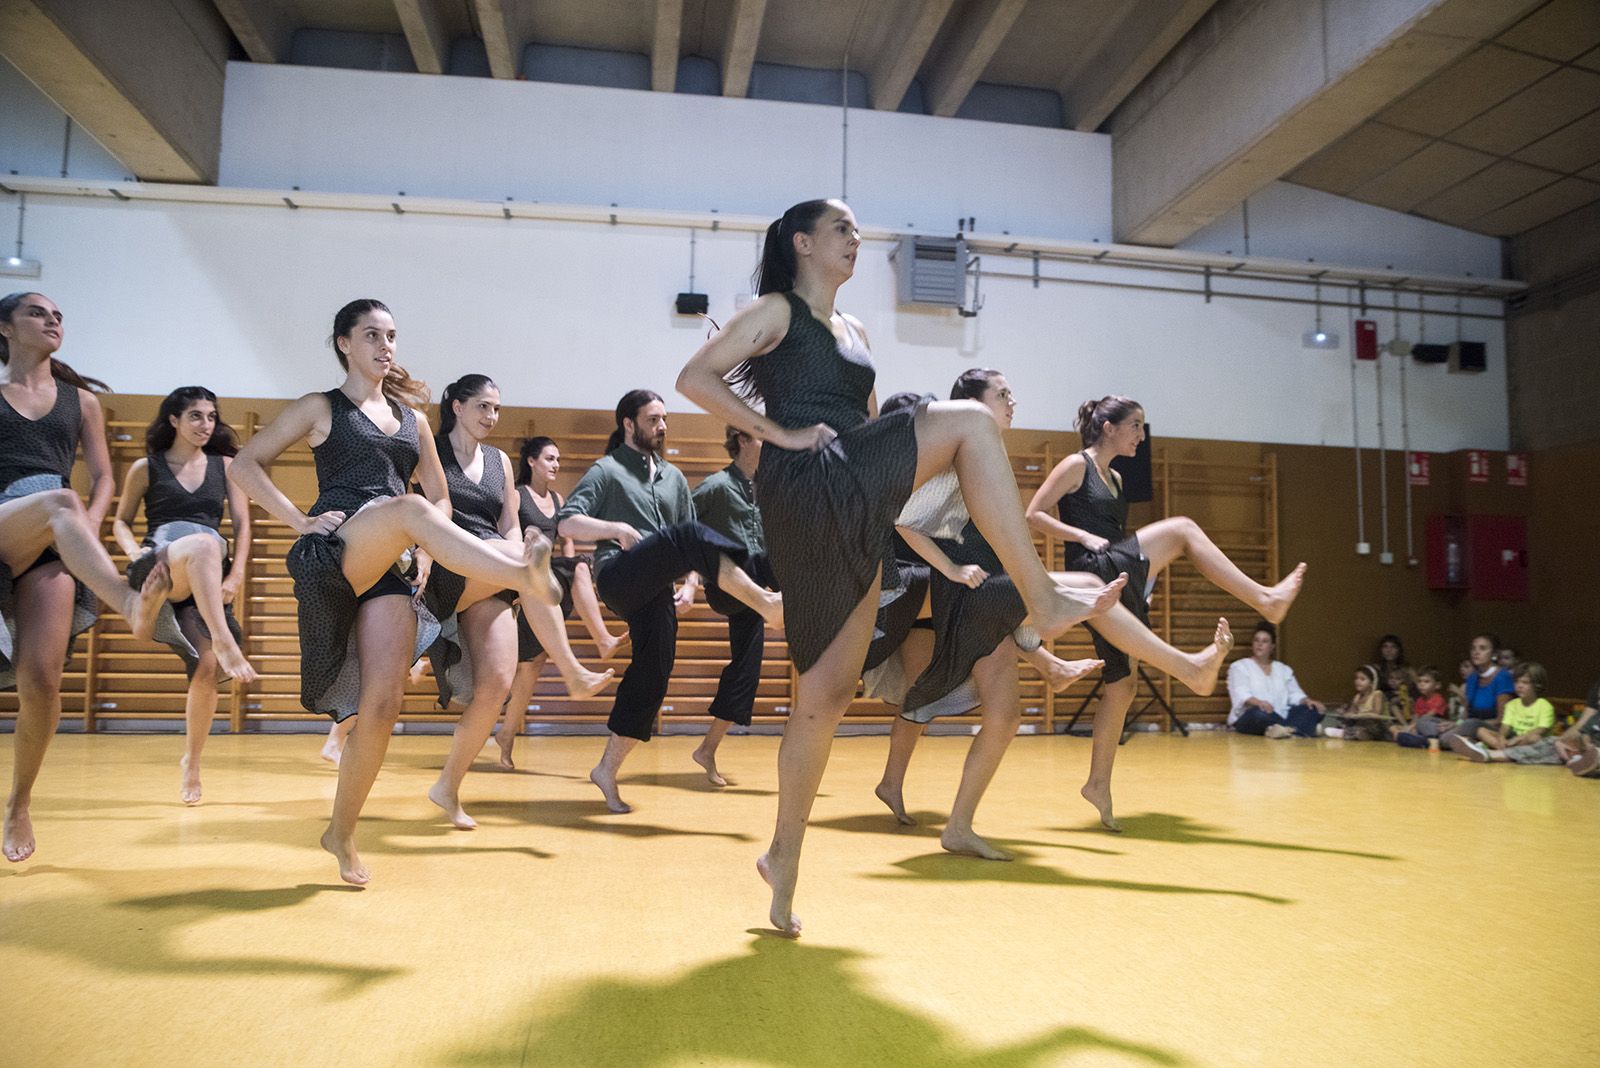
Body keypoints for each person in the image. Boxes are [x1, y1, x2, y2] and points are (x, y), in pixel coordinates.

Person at [676, 197, 1133, 937]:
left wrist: (923, 511)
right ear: (803, 242)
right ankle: (1041, 598)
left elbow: (870, 432)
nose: (857, 239)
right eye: (843, 229)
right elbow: (696, 378)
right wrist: (777, 433)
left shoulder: (853, 329)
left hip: (851, 493)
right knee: (974, 422)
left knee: (823, 697)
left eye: (858, 230)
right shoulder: (776, 310)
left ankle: (782, 857)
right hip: (805, 481)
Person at [228, 299, 563, 885]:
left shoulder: (410, 420)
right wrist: (298, 519)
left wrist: (429, 548)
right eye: (372, 336)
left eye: (392, 337)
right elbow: (245, 464)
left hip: (395, 563)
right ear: (343, 344)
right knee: (402, 506)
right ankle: (517, 572)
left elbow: (440, 497)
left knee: (381, 707)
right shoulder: (321, 407)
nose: (386, 346)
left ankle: (341, 830)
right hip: (334, 553)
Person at [1026, 395, 1296, 827]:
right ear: (1109, 427)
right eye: (1135, 425)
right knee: (1184, 529)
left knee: (1124, 684)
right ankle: (1264, 599)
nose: (1141, 435)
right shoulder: (1076, 465)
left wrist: (1142, 587)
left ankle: (1097, 783)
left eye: (1142, 426)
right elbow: (1034, 514)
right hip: (1092, 570)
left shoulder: (1115, 477)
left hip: (1119, 577)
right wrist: (1080, 535)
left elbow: (1122, 539)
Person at [871, 377, 1106, 856]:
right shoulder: (946, 456)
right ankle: (1054, 661)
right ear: (970, 408)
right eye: (1003, 395)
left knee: (975, 705)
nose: (1013, 401)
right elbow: (905, 522)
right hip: (944, 594)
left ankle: (930, 806)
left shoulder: (981, 459)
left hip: (971, 595)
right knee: (927, 691)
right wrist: (953, 568)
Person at [1, 291, 171, 862]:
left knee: (43, 683)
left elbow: (103, 479)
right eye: (36, 313)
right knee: (58, 498)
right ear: (5, 328)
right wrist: (66, 512)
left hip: (53, 539)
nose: (52, 321)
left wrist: (82, 527)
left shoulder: (81, 403)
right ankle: (127, 601)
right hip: (8, 520)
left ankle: (20, 801)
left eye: (58, 315)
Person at [556, 389, 783, 814]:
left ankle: (606, 769)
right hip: (619, 576)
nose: (661, 427)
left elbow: (692, 545)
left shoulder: (674, 477)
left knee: (654, 674)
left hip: (656, 587)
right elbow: (566, 520)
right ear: (629, 424)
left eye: (664, 420)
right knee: (691, 536)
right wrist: (616, 528)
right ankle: (767, 605)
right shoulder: (607, 471)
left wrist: (693, 584)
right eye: (653, 419)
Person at [418, 376, 614, 829]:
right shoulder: (433, 452)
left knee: (497, 685)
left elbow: (508, 522)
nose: (491, 417)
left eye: (496, 409)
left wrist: (517, 549)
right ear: (456, 406)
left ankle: (446, 786)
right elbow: (428, 515)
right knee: (529, 565)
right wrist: (517, 557)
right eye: (482, 407)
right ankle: (571, 670)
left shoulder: (499, 461)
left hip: (495, 571)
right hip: (451, 565)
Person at [111, 387, 257, 804]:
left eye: (211, 417)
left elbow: (244, 528)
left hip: (207, 580)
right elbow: (121, 522)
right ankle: (208, 632)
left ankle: (191, 761)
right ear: (173, 420)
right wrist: (132, 551)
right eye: (195, 416)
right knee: (205, 544)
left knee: (206, 666)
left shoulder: (226, 466)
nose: (205, 425)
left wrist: (238, 575)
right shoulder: (146, 467)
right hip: (159, 564)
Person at [492, 435, 630, 771]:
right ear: (532, 462)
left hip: (548, 584)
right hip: (520, 581)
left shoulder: (558, 499)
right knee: (528, 668)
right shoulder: (517, 495)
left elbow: (566, 547)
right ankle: (506, 734)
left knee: (580, 563)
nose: (555, 465)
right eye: (549, 459)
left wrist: (571, 576)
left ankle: (603, 639)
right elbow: (502, 535)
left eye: (558, 460)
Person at [687, 426, 781, 787]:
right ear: (742, 440)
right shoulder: (716, 487)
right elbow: (682, 531)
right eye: (762, 437)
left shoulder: (766, 488)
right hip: (727, 585)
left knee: (747, 671)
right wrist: (691, 580)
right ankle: (817, 608)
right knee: (766, 559)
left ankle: (707, 749)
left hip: (757, 593)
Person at [1226, 621, 1325, 739]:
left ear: (1272, 646)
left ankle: (1285, 731)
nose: (1259, 644)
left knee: (1312, 710)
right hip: (1255, 716)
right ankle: (1300, 729)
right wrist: (1259, 703)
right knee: (1259, 714)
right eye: (1256, 640)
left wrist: (1307, 700)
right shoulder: (1240, 666)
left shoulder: (1283, 669)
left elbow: (1295, 694)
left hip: (1281, 715)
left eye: (1264, 641)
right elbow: (1241, 693)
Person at [1449, 661, 1554, 760]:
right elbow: (1505, 726)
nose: (1519, 686)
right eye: (1517, 682)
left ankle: (1491, 751)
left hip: (1528, 741)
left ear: (1537, 685)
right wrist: (1501, 737)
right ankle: (1503, 751)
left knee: (1534, 738)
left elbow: (1540, 729)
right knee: (1481, 731)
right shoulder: (1512, 704)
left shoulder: (1545, 706)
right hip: (1512, 741)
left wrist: (1518, 739)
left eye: (1525, 682)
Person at [1440, 634, 1515, 748]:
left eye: (1482, 648)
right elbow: (1467, 712)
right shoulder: (1472, 677)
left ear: (1494, 654)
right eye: (1473, 648)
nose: (1476, 652)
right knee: (1425, 722)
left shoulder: (1502, 676)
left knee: (1469, 726)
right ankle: (1466, 742)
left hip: (1493, 728)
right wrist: (1456, 724)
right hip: (1469, 725)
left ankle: (1440, 739)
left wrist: (1465, 725)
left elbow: (1501, 720)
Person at [1329, 664, 1389, 741]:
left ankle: (1348, 734)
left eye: (1362, 679)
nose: (1358, 681)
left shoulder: (1377, 694)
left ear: (1372, 682)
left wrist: (1359, 714)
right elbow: (1352, 711)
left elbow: (1377, 713)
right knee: (1345, 723)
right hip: (1360, 723)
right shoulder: (1357, 696)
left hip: (1373, 725)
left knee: (1363, 729)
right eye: (1356, 678)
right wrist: (1344, 713)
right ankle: (1347, 733)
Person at [1393, 666, 1450, 748]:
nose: (1422, 684)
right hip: (1419, 727)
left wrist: (1412, 727)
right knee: (1396, 728)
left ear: (1437, 685)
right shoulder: (1420, 700)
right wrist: (1409, 727)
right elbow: (1416, 717)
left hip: (1435, 728)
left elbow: (1427, 717)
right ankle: (1420, 740)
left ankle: (1425, 740)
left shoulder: (1439, 699)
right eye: (1419, 681)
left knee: (1423, 721)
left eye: (1426, 682)